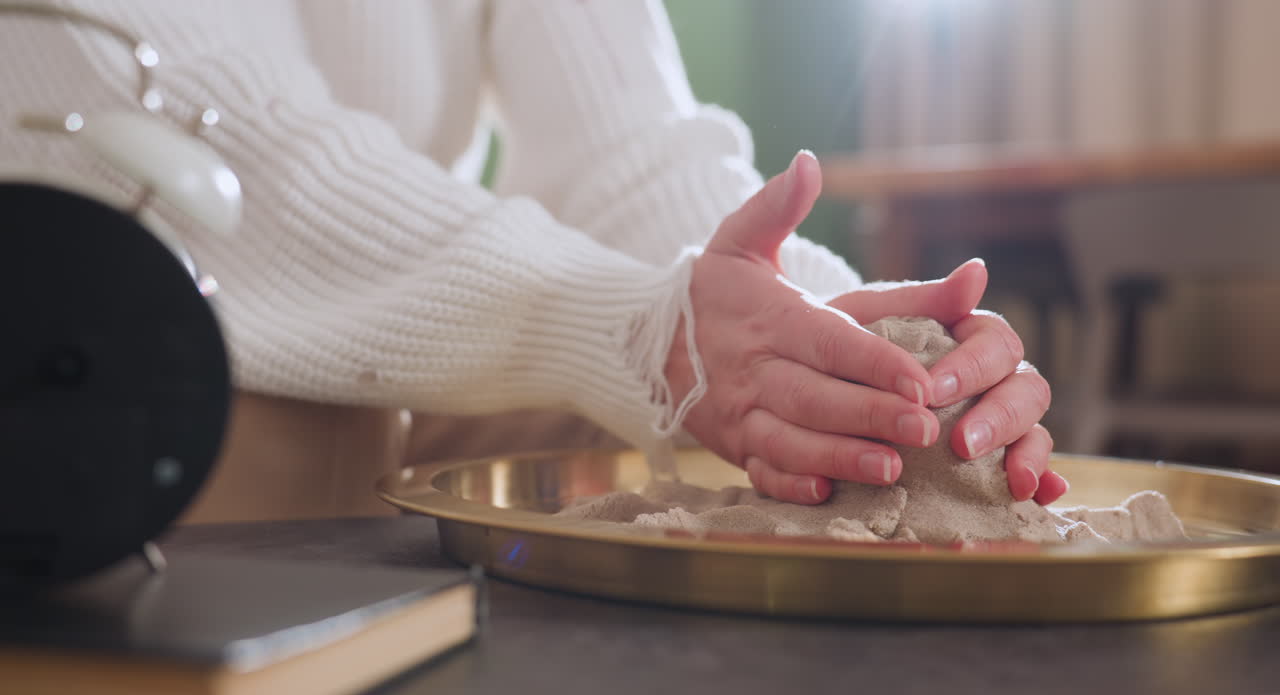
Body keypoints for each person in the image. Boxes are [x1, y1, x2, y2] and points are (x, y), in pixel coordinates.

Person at [0, 0, 1063, 513]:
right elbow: (223, 139)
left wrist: (860, 354)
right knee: (322, 426)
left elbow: (633, 154)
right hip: (123, 323)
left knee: (737, 453)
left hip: (405, 316)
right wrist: (655, 336)